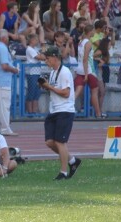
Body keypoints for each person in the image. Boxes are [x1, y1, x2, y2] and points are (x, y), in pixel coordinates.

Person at [39, 46, 82, 180]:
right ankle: (73, 161)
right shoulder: (53, 72)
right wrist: (46, 87)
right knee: (49, 142)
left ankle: (63, 172)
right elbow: (55, 90)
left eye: (47, 58)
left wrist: (49, 87)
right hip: (54, 110)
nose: (46, 61)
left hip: (64, 110)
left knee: (59, 142)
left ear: (55, 58)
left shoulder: (64, 72)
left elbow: (66, 93)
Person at [74, 25, 105, 118]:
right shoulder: (88, 43)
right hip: (88, 70)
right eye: (93, 31)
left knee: (78, 91)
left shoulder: (81, 42)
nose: (94, 33)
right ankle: (98, 113)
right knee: (94, 92)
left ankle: (67, 108)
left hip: (79, 69)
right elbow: (86, 59)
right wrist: (87, 74)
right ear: (90, 32)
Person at [25, 33, 46, 114]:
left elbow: (44, 55)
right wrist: (42, 55)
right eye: (36, 39)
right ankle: (30, 112)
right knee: (31, 92)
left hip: (38, 73)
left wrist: (43, 46)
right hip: (32, 73)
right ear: (31, 40)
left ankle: (35, 111)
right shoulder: (29, 49)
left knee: (37, 93)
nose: (37, 41)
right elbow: (40, 57)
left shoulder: (36, 49)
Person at [93, 36, 111, 114]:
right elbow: (91, 56)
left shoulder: (106, 52)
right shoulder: (100, 51)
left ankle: (99, 110)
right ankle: (98, 111)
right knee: (102, 91)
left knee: (101, 92)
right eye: (109, 44)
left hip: (102, 73)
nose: (110, 46)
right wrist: (99, 60)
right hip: (97, 73)